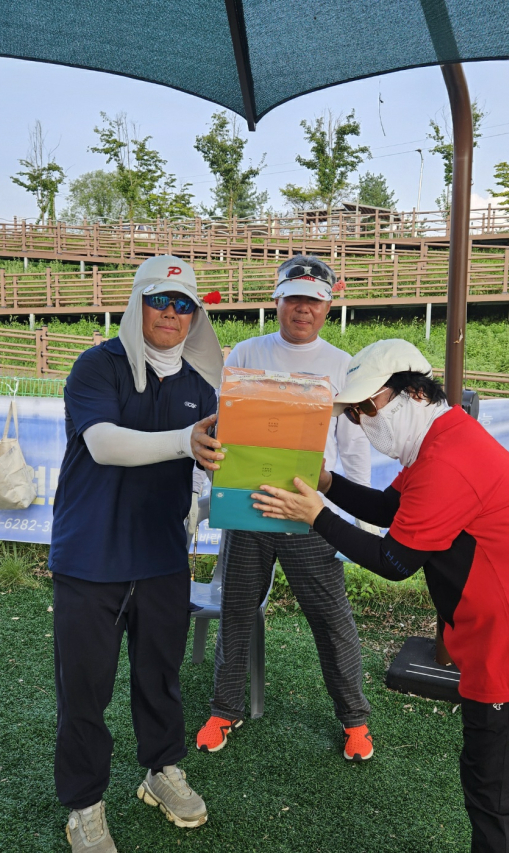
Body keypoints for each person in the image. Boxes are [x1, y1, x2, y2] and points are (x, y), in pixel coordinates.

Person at [251, 338, 509, 853]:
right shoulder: (443, 439)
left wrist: (315, 515)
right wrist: (328, 482)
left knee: (495, 801)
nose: (361, 421)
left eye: (366, 407)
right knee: (488, 787)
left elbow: (395, 561)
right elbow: (390, 509)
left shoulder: (448, 460)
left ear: (415, 393)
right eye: (353, 412)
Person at [49, 255, 226, 853]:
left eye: (184, 304)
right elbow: (102, 444)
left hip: (162, 557)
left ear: (195, 315)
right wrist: (185, 442)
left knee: (161, 677)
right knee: (85, 689)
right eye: (160, 300)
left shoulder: (204, 386)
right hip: (89, 557)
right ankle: (84, 806)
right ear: (136, 303)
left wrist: (216, 493)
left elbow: (215, 466)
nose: (172, 314)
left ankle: (161, 771)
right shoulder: (96, 366)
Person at [196, 255, 375, 762]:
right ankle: (224, 709)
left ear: (328, 305)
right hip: (247, 509)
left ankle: (355, 720)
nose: (303, 309)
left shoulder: (343, 365)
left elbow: (354, 446)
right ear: (276, 300)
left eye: (313, 301)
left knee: (331, 620)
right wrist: (206, 478)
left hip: (309, 514)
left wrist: (352, 519)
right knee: (235, 612)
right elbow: (219, 426)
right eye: (293, 298)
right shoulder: (247, 353)